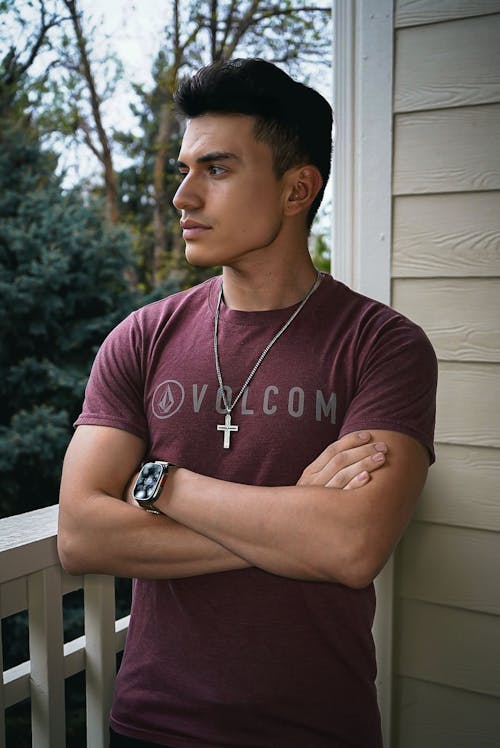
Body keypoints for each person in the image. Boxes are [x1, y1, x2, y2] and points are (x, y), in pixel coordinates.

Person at [58, 58, 437, 748]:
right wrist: (293, 523)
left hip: (317, 728)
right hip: (150, 726)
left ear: (298, 190)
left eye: (218, 169)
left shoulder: (384, 346)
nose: (183, 197)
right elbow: (82, 534)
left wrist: (160, 483)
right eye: (184, 168)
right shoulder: (141, 338)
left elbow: (351, 547)